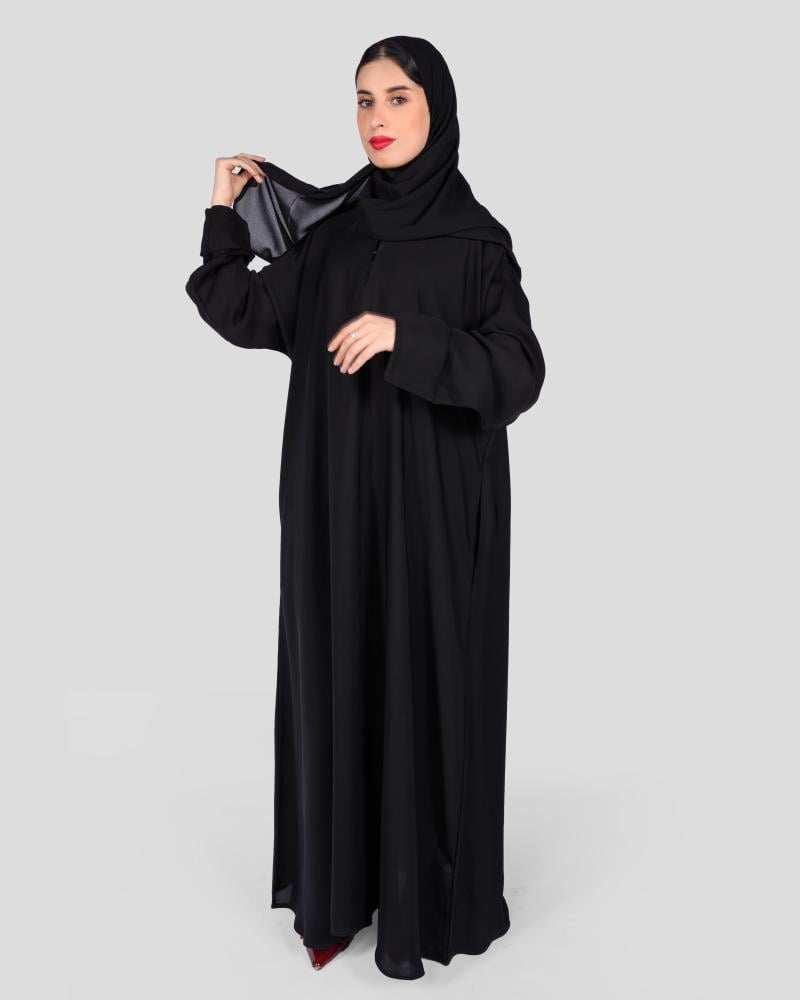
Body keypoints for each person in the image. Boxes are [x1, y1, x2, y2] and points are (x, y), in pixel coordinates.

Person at [185, 34, 546, 981]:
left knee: (428, 687)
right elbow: (240, 307)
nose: (376, 119)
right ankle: (337, 894)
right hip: (336, 511)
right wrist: (223, 212)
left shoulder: (477, 242)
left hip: (436, 518)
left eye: (397, 98)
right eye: (362, 100)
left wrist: (406, 337)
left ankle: (430, 895)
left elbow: (519, 371)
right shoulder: (336, 237)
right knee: (338, 679)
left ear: (438, 110)